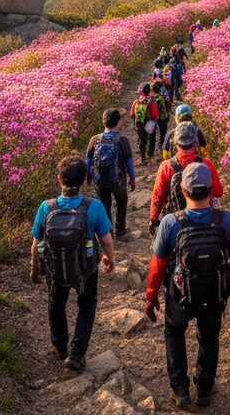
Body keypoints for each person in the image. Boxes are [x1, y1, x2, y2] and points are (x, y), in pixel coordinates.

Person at [145, 163, 230, 408]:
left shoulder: (170, 222)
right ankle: (204, 389)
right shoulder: (226, 220)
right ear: (211, 190)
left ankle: (180, 390)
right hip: (214, 294)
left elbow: (158, 266)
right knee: (209, 336)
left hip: (179, 296)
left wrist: (151, 297)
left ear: (183, 190)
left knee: (174, 332)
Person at [31, 154, 115, 371]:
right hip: (85, 269)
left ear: (59, 179)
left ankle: (60, 347)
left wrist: (35, 268)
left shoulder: (46, 207)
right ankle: (76, 353)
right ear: (85, 180)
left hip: (55, 269)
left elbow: (36, 244)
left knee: (56, 303)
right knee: (87, 305)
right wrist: (110, 259)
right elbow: (106, 239)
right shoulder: (93, 206)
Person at [149, 122, 223, 233]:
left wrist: (153, 218)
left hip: (176, 222)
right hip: (205, 223)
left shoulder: (166, 167)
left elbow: (158, 196)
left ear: (175, 143)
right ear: (195, 142)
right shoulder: (206, 164)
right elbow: (218, 192)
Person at [86, 108, 137, 240]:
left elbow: (88, 161)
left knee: (105, 205)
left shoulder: (94, 139)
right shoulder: (122, 140)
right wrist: (132, 178)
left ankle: (108, 232)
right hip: (118, 180)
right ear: (118, 122)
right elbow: (129, 163)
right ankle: (120, 230)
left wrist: (89, 176)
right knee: (122, 201)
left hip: (100, 179)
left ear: (103, 122)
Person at [130, 82, 160, 163]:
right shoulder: (152, 101)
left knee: (142, 140)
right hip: (149, 125)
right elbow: (156, 115)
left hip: (139, 125)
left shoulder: (136, 102)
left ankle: (143, 157)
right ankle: (150, 153)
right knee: (152, 138)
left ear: (141, 92)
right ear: (149, 91)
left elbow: (131, 114)